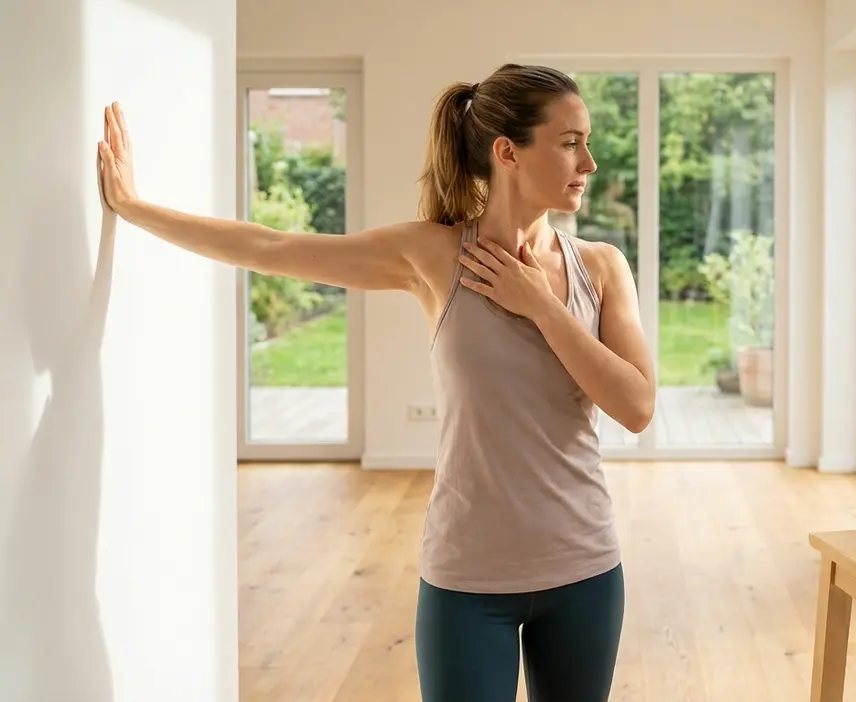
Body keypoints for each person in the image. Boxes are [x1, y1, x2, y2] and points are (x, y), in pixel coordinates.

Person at [96, 63, 656, 702]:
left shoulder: (601, 267)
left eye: (585, 141)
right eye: (569, 141)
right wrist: (135, 208)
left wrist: (543, 307)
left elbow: (636, 407)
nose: (589, 161)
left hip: (584, 568)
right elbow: (272, 248)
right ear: (508, 151)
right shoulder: (433, 255)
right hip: (467, 578)